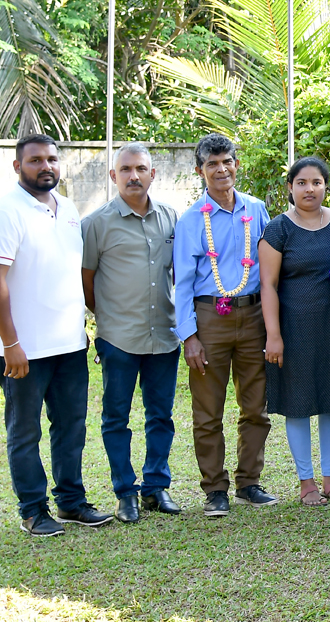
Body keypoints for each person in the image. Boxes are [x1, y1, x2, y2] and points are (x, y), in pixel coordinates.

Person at [0, 134, 113, 536]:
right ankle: (33, 509)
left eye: (51, 159)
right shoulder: (7, 209)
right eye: (35, 160)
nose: (45, 166)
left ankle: (71, 502)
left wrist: (91, 330)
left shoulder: (66, 207)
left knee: (70, 427)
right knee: (24, 430)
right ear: (17, 166)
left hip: (70, 344)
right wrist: (11, 344)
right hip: (23, 349)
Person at [173, 133, 276, 518]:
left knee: (255, 407)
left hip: (251, 317)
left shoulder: (257, 209)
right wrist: (189, 337)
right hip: (210, 320)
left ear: (237, 164)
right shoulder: (190, 220)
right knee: (208, 411)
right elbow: (181, 283)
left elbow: (269, 268)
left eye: (227, 161)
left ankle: (249, 483)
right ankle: (215, 489)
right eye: (212, 164)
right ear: (200, 170)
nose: (221, 169)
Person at [82, 142, 182, 524]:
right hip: (119, 338)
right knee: (115, 418)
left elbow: (179, 275)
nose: (134, 176)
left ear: (153, 174)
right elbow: (86, 281)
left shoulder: (172, 218)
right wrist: (109, 316)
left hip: (164, 337)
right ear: (113, 176)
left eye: (141, 168)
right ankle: (125, 493)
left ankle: (156, 487)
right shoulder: (96, 223)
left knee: (161, 416)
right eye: (125, 169)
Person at [260, 157, 330, 507]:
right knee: (297, 406)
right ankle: (306, 483)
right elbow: (268, 285)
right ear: (290, 187)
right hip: (291, 330)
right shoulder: (278, 229)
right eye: (301, 183)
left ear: (326, 186)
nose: (309, 189)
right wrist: (273, 335)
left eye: (316, 182)